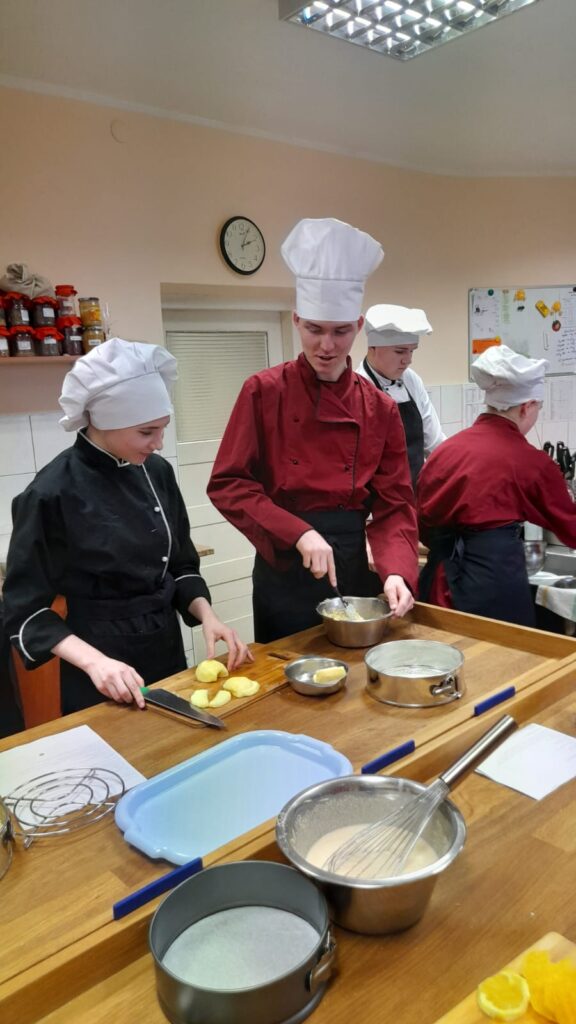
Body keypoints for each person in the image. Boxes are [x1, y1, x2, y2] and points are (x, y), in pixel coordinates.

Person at [3, 338, 252, 714]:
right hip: (99, 666)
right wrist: (95, 663)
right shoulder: (50, 492)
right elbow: (23, 610)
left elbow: (181, 564)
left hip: (165, 649)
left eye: (162, 429)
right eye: (146, 432)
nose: (159, 444)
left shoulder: (157, 471)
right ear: (105, 421)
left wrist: (208, 616)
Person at [207, 217, 419, 643]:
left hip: (352, 566)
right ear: (296, 320)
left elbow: (395, 504)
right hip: (284, 565)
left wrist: (397, 570)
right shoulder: (263, 392)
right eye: (315, 329)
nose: (327, 346)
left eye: (340, 331)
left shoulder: (379, 408)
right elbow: (228, 485)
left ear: (359, 326)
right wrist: (299, 532)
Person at [417, 344, 576, 627]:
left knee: (444, 651)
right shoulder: (530, 461)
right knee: (499, 653)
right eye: (538, 408)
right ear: (526, 407)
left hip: (438, 583)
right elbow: (570, 526)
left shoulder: (445, 451)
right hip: (492, 588)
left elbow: (423, 522)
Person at [356, 304, 445, 490]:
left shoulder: (411, 379)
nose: (408, 360)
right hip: (376, 498)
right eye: (400, 351)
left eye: (412, 351)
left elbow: (434, 442)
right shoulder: (357, 388)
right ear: (373, 347)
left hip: (415, 491)